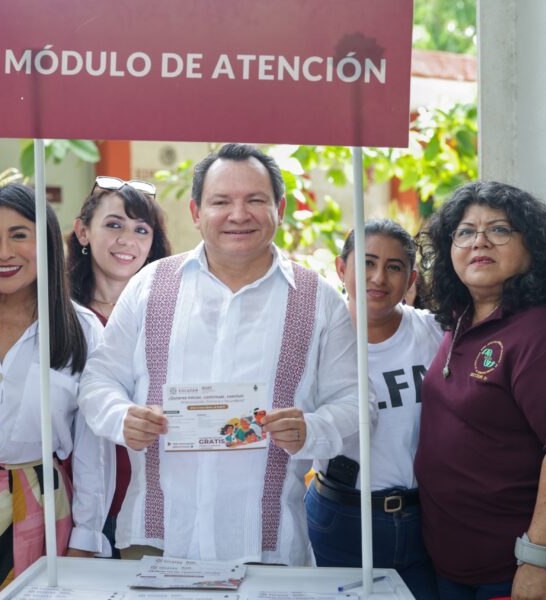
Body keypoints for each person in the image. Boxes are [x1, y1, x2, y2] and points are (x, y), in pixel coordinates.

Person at [78, 143, 364, 565]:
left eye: (255, 200)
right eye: (221, 201)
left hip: (269, 547)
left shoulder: (318, 300)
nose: (238, 214)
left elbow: (359, 403)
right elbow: (99, 380)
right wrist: (122, 417)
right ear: (196, 212)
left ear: (279, 208)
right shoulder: (151, 286)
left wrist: (313, 428)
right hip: (156, 541)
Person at [414, 181, 546, 599]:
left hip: (541, 567)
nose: (479, 242)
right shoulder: (465, 315)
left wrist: (536, 561)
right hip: (460, 564)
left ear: (535, 246)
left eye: (500, 230)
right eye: (465, 231)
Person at [0, 183, 114, 599]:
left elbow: (92, 448)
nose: (3, 252)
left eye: (19, 235)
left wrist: (86, 537)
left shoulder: (82, 329)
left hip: (40, 512)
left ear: (45, 243)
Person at [305, 221, 442, 599]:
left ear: (411, 277)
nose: (378, 277)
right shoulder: (315, 342)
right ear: (340, 268)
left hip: (424, 518)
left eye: (394, 267)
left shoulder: (435, 334)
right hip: (343, 516)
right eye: (366, 263)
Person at [68, 176, 171, 558]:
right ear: (83, 231)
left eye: (141, 229)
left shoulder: (172, 313)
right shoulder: (58, 316)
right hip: (75, 502)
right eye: (114, 225)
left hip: (149, 502)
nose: (127, 240)